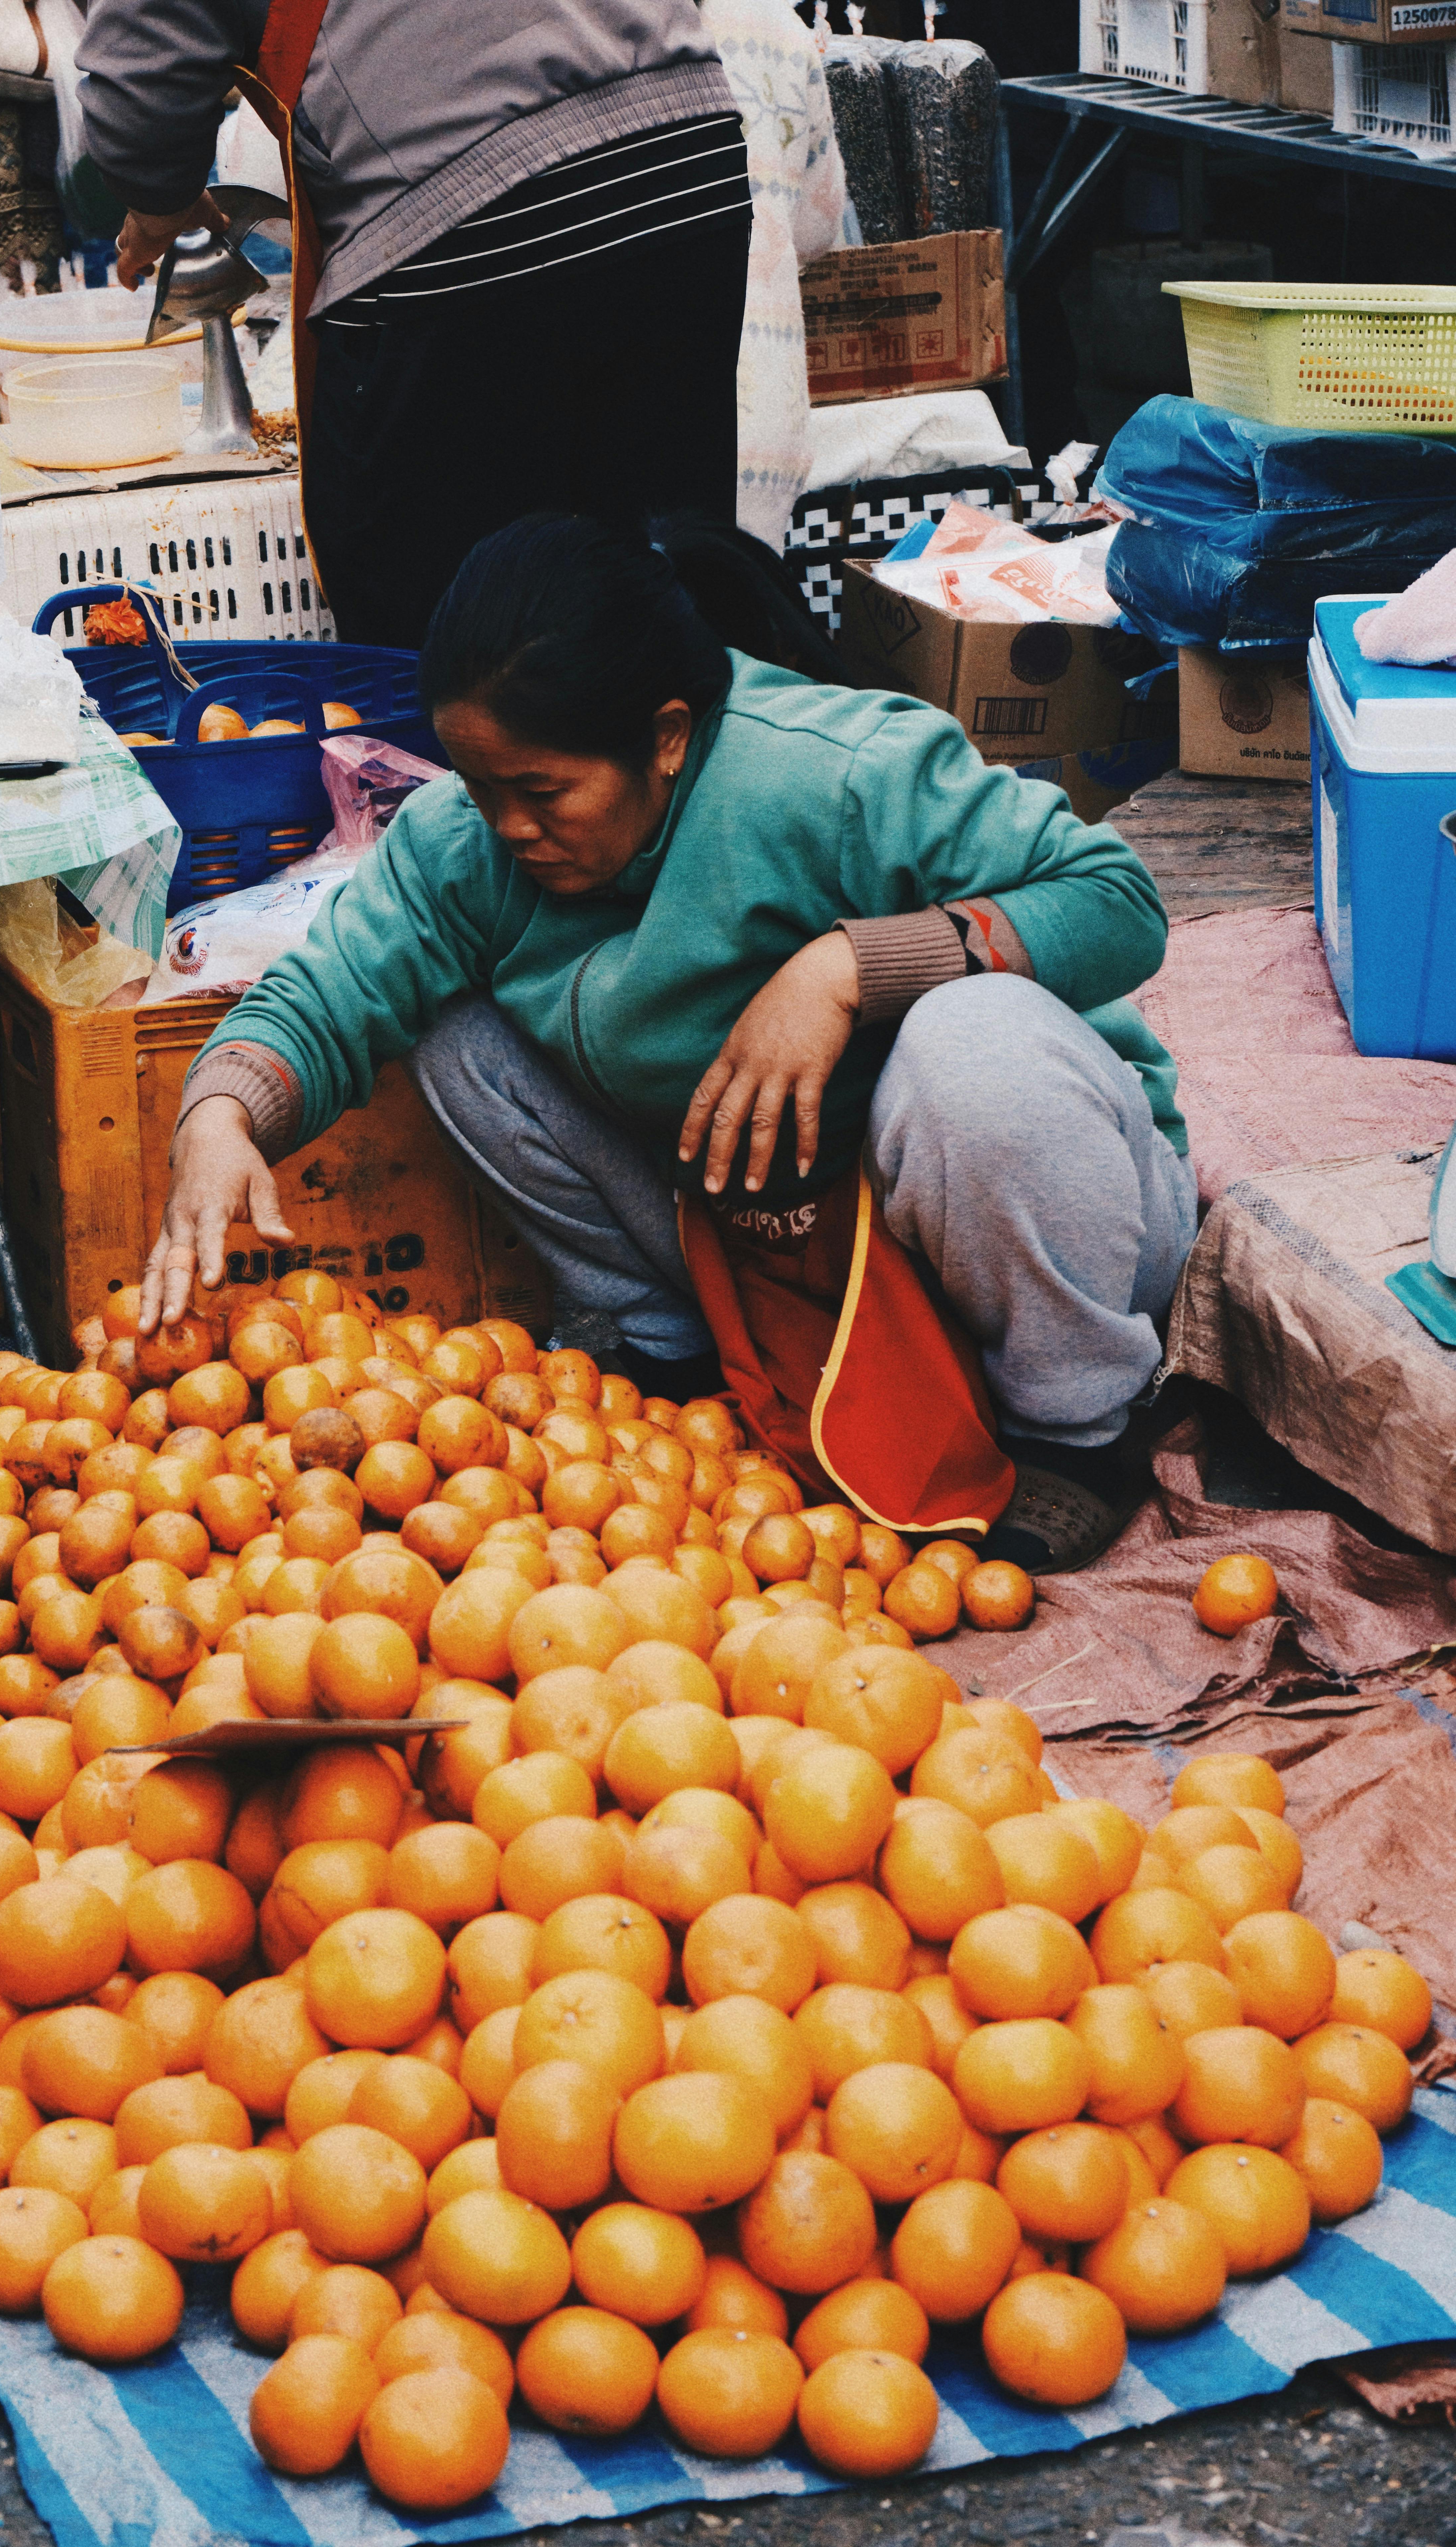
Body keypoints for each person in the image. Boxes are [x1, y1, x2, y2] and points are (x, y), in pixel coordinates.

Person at [140, 515, 1195, 1571]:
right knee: (456, 1034)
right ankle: (661, 1349)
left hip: (1029, 1226)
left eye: (542, 792)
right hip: (763, 1233)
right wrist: (223, 1115)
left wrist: (847, 971)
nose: (508, 826)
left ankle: (1073, 1427)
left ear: (668, 737)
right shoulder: (469, 847)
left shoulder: (838, 774)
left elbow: (1115, 901)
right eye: (481, 787)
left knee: (974, 1044)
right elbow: (330, 995)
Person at [76, 0, 755, 645]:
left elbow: (140, 77)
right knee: (660, 590)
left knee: (454, 631)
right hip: (684, 157)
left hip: (466, 198)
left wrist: (158, 194)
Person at [701, 0, 846, 548]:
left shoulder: (597, 29)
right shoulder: (780, 27)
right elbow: (818, 226)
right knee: (737, 609)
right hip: (764, 408)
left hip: (636, 383)